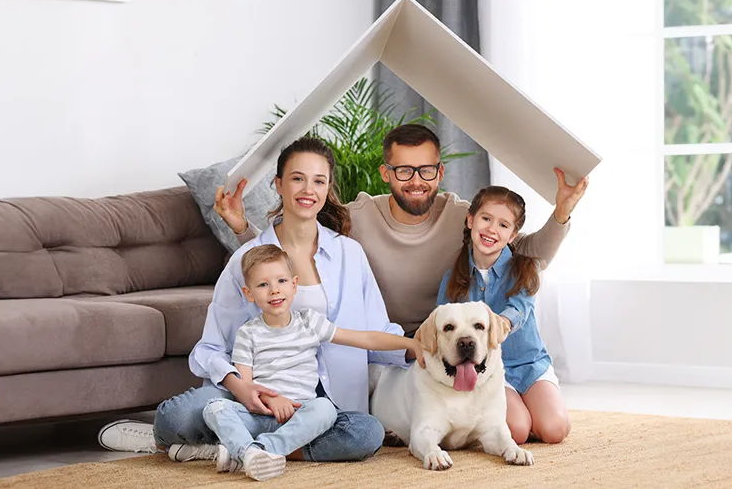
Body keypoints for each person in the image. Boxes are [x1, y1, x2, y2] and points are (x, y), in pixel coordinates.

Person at [99, 137, 415, 462]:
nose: (308, 189)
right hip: (258, 397)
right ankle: (248, 441)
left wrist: (420, 348)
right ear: (278, 184)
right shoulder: (247, 259)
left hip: (324, 404)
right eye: (297, 178)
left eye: (318, 180)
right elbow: (211, 348)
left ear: (328, 188)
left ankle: (234, 448)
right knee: (177, 416)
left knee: (366, 434)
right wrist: (244, 391)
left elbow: (377, 332)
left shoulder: (350, 253)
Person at [219, 124, 588, 337]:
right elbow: (289, 248)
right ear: (386, 174)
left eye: (426, 170)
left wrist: (562, 213)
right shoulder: (358, 216)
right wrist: (241, 228)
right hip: (381, 346)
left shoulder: (465, 218)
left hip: (444, 343)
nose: (416, 181)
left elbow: (527, 256)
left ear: (440, 173)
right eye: (404, 171)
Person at [205, 244, 422, 480]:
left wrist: (409, 344)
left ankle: (254, 450)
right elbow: (246, 389)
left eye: (281, 281)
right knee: (215, 408)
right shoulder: (247, 333)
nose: (274, 291)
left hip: (304, 416)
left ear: (294, 284)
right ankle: (255, 451)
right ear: (249, 294)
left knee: (327, 409)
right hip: (261, 416)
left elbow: (363, 337)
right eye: (263, 285)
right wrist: (272, 399)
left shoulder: (309, 322)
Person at [437, 186, 569, 445]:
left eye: (503, 224)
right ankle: (509, 416)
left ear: (512, 235)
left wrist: (501, 323)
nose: (491, 229)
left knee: (554, 430)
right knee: (517, 432)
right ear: (471, 220)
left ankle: (537, 410)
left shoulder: (526, 268)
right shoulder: (453, 277)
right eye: (486, 219)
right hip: (490, 372)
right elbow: (440, 322)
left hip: (530, 364)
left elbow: (519, 309)